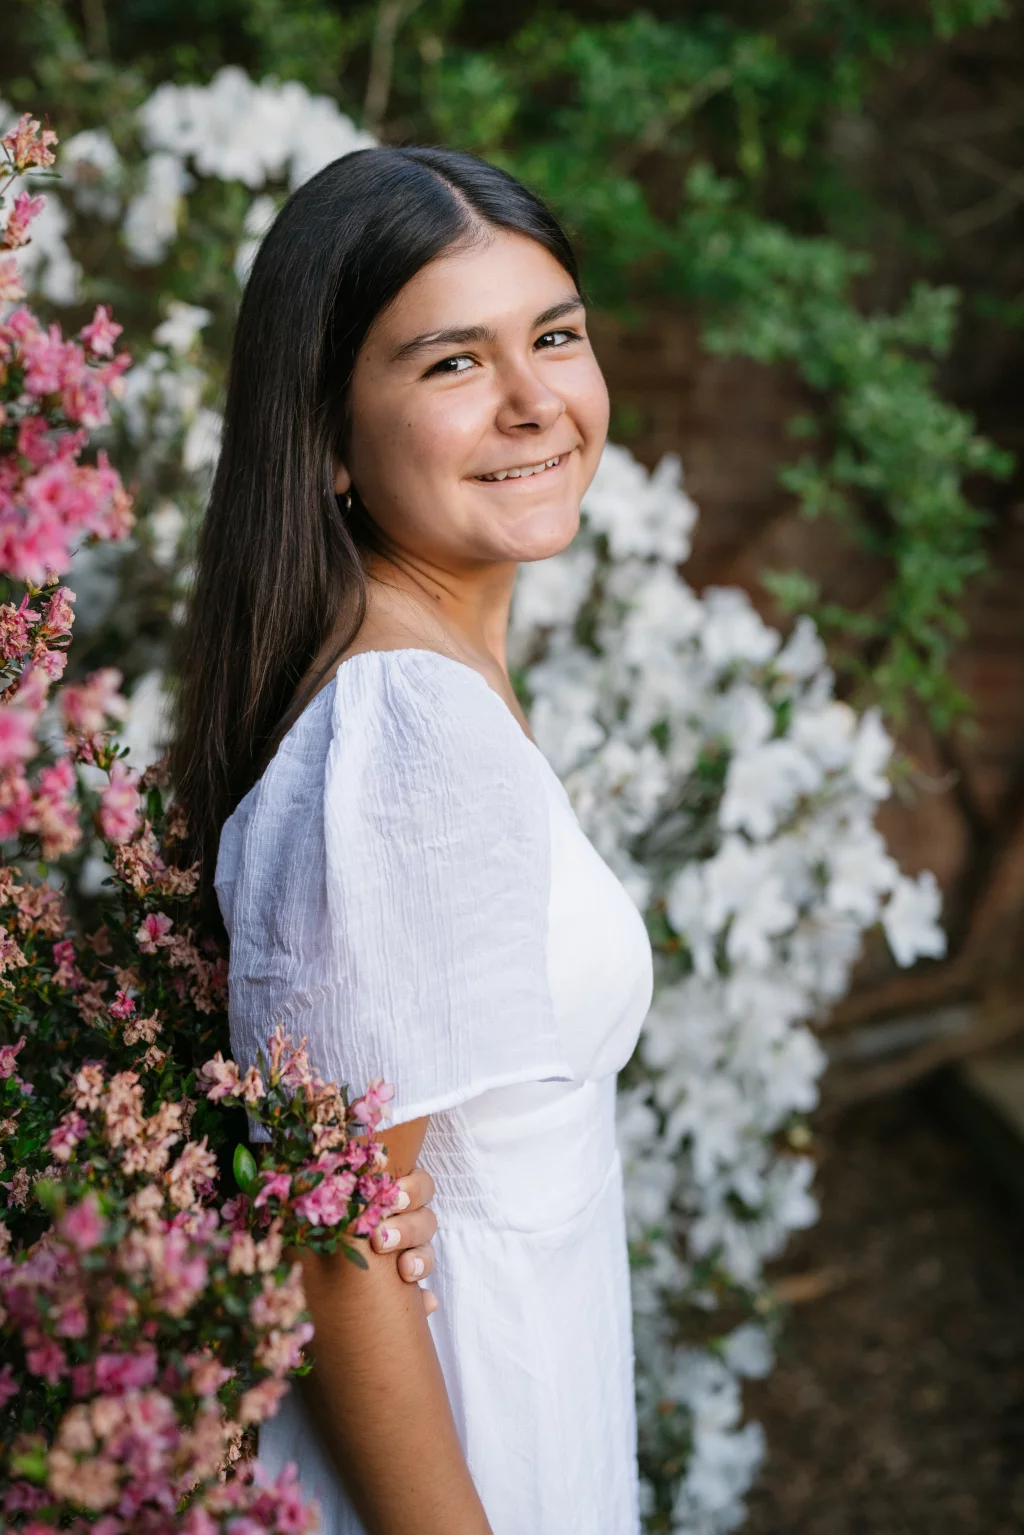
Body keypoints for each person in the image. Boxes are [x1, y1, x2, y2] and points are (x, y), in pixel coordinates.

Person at [172, 146, 654, 1535]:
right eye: (452, 362)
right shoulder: (403, 725)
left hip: (523, 1380)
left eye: (553, 335)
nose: (534, 401)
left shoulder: (427, 682)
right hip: (459, 1449)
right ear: (327, 434)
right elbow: (337, 1253)